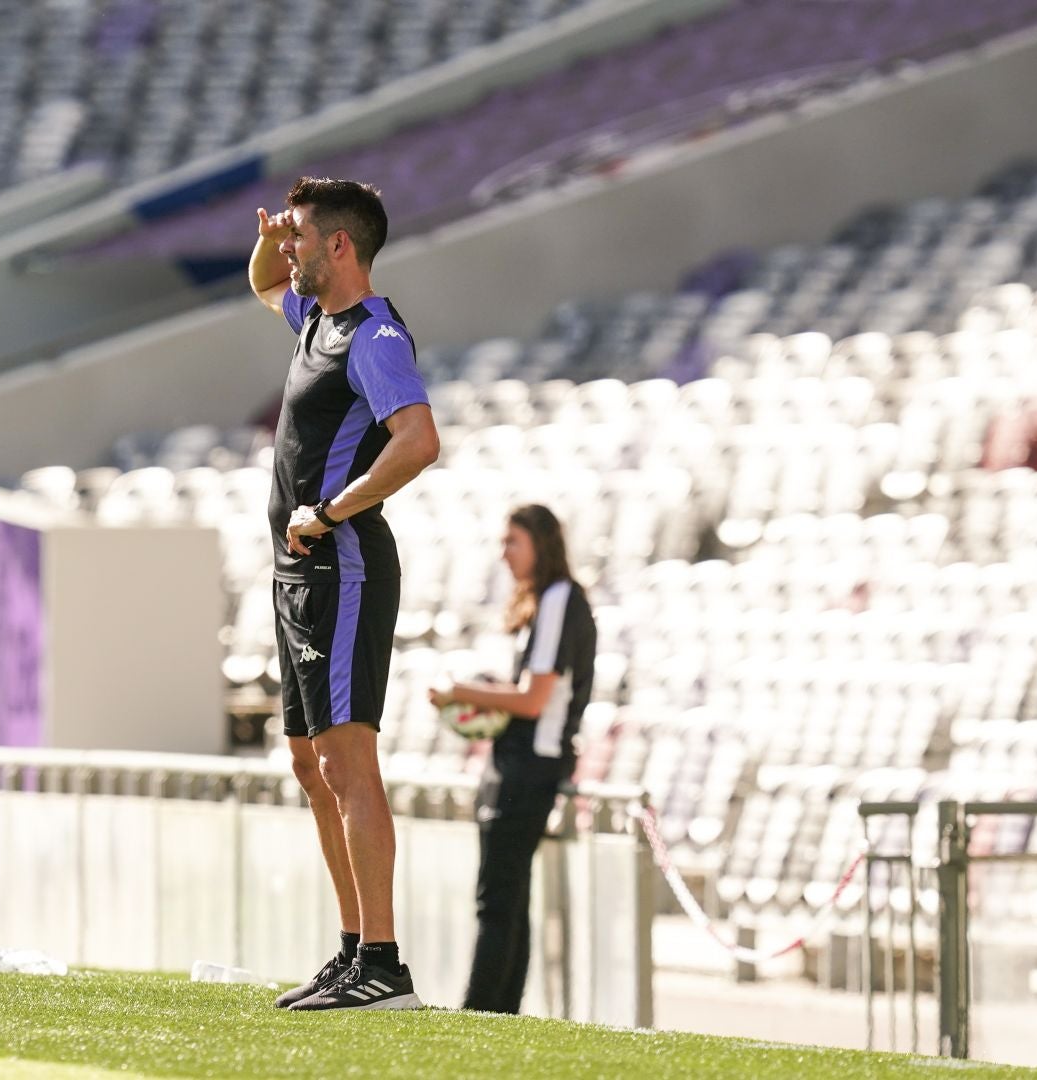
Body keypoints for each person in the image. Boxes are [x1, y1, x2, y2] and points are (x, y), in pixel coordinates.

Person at [248, 177, 441, 1011]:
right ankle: (351, 946)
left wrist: (331, 510)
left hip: (343, 563)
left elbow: (420, 441)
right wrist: (269, 237)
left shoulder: (375, 335)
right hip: (298, 571)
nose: (287, 250)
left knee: (344, 760)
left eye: (299, 237)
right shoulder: (315, 317)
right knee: (306, 761)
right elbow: (263, 282)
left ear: (341, 248)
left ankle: (385, 962)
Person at [428, 504, 597, 1014]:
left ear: (540, 545)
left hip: (530, 766)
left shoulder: (560, 597)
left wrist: (463, 692)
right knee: (510, 897)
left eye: (513, 542)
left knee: (497, 897)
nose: (503, 555)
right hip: (521, 762)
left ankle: (481, 1010)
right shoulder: (547, 601)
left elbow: (532, 700)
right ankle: (501, 1012)